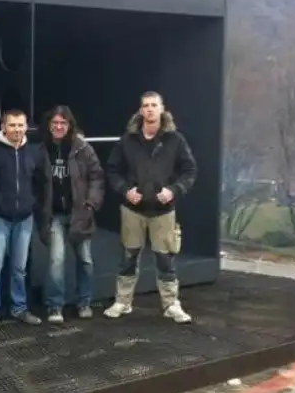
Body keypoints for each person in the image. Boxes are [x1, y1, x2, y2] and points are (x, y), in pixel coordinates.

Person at [104, 91, 197, 323]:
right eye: (146, 105)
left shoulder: (175, 140)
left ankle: (171, 305)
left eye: (154, 105)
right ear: (141, 110)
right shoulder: (128, 140)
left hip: (163, 212)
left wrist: (173, 190)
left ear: (162, 109)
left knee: (166, 260)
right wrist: (125, 190)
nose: (150, 109)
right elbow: (112, 170)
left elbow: (189, 171)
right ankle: (122, 302)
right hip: (132, 210)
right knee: (128, 257)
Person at [37, 105, 105, 323]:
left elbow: (97, 177)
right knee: (56, 261)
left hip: (79, 213)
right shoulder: (42, 149)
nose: (58, 127)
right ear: (49, 125)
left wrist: (91, 204)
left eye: (63, 123)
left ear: (70, 125)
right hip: (54, 215)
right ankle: (55, 306)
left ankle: (84, 302)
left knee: (85, 261)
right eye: (55, 123)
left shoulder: (82, 148)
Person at [0, 108, 46, 329]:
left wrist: (32, 205)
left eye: (20, 125)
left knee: (19, 268)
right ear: (3, 127)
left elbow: (39, 182)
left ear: (26, 126)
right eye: (12, 125)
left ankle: (19, 308)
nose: (17, 129)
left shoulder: (33, 152)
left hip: (25, 218)